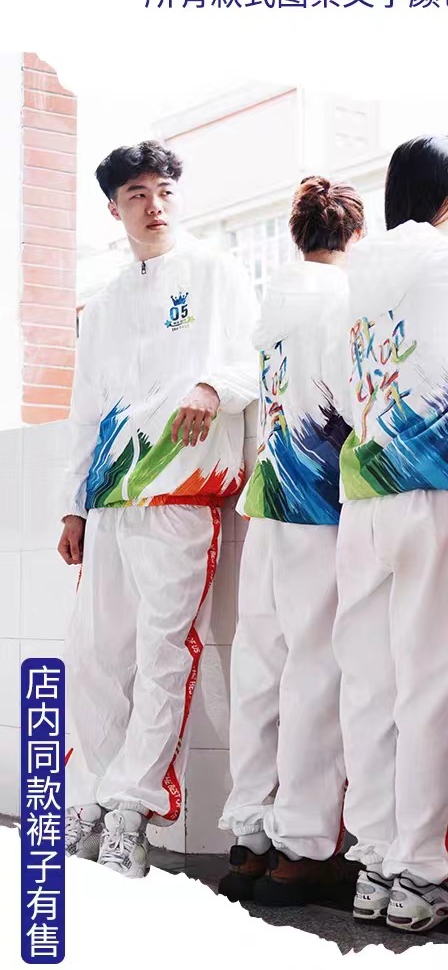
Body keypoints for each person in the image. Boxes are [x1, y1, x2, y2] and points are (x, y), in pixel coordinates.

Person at [59, 141, 259, 878]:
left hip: (181, 494)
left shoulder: (216, 273)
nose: (155, 205)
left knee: (161, 654)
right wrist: (73, 508)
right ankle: (92, 797)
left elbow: (252, 358)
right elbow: (85, 410)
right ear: (115, 209)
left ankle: (131, 810)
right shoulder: (104, 304)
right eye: (137, 194)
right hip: (111, 501)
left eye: (164, 190)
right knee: (94, 658)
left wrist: (213, 387)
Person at [332, 136, 448, 932]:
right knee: (436, 684)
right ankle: (424, 872)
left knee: (369, 688)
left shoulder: (355, 276)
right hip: (440, 492)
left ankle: (373, 864)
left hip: (363, 497)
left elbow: (341, 386)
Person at [218, 177, 364, 906]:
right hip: (318, 505)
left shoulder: (272, 305)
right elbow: (353, 401)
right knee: (316, 670)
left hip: (268, 502)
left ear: (297, 236)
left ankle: (250, 838)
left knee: (260, 667)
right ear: (355, 237)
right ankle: (303, 848)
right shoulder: (344, 300)